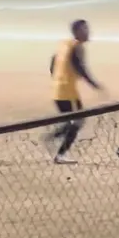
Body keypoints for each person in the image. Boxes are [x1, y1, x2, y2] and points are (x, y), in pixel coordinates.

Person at [46, 20, 101, 165]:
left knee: (73, 121)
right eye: (85, 29)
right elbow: (80, 68)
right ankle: (59, 152)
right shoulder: (77, 47)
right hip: (67, 92)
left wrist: (57, 79)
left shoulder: (65, 44)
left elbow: (53, 62)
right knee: (77, 122)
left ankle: (53, 139)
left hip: (59, 89)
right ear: (77, 32)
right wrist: (94, 84)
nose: (88, 32)